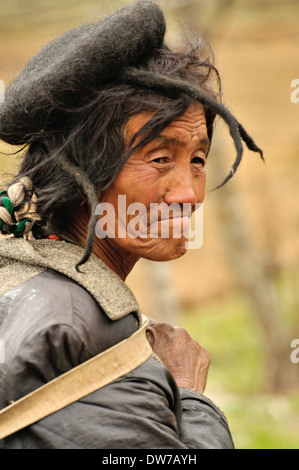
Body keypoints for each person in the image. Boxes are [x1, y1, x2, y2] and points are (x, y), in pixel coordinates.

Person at [0, 1, 262, 449]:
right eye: (159, 159)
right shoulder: (73, 332)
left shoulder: (22, 274)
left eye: (197, 160)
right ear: (80, 169)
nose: (190, 194)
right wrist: (188, 392)